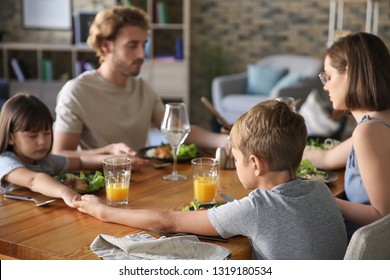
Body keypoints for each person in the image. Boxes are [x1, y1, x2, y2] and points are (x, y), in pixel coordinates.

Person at [73, 100, 347, 260]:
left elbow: (168, 222)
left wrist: (102, 210)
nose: (236, 164)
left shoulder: (256, 208)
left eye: (237, 159)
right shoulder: (322, 190)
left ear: (255, 164)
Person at [52, 6, 229, 160]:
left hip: (139, 176)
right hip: (100, 184)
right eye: (132, 45)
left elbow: (178, 130)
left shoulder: (142, 88)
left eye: (143, 45)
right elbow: (60, 154)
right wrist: (108, 152)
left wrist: (224, 140)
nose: (141, 54)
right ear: (106, 46)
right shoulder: (77, 91)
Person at [303, 32, 390, 238]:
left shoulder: (369, 131)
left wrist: (320, 199)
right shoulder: (379, 123)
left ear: (350, 73)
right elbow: (326, 157)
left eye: (328, 76)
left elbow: (382, 216)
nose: (325, 85)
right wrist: (283, 153)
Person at [0, 93, 113, 207]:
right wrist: (64, 192)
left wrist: (114, 160)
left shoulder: (45, 160)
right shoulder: (4, 162)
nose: (42, 141)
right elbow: (33, 180)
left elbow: (81, 161)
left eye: (47, 133)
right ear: (10, 137)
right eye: (33, 135)